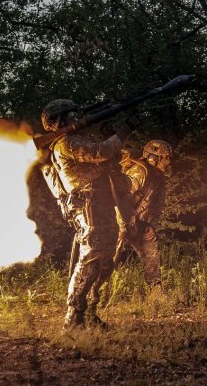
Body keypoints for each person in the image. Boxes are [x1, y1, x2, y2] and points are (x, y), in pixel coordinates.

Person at [40, 99, 134, 331]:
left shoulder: (74, 140)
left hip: (98, 203)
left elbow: (106, 156)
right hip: (88, 205)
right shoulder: (66, 143)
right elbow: (101, 152)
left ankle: (89, 313)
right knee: (91, 259)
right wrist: (124, 132)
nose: (77, 118)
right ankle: (73, 318)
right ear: (61, 120)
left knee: (104, 262)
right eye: (72, 115)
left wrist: (112, 133)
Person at [116, 140, 171, 288]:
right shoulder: (140, 171)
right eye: (165, 157)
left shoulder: (159, 178)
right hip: (118, 219)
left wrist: (150, 226)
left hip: (136, 221)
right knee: (109, 258)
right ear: (153, 157)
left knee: (151, 248)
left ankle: (155, 291)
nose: (168, 161)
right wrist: (124, 225)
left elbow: (157, 207)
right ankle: (95, 294)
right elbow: (120, 199)